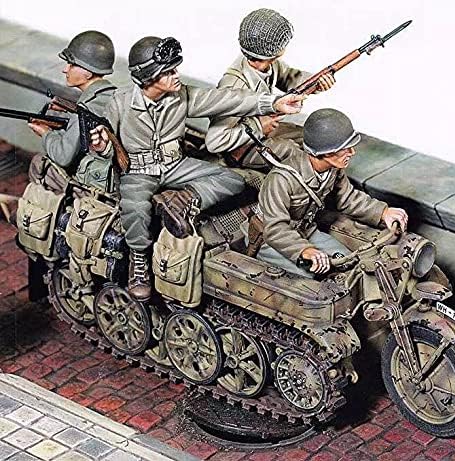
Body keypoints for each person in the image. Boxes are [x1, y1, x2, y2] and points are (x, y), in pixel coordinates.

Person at [91, 36, 305, 301]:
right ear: (149, 77)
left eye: (175, 69)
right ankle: (139, 260)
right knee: (135, 208)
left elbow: (226, 99)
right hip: (138, 170)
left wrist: (273, 103)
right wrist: (102, 147)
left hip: (175, 164)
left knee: (232, 180)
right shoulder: (120, 102)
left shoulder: (181, 95)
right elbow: (109, 144)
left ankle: (183, 201)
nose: (176, 76)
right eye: (169, 72)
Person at [250, 108, 408, 277]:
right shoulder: (281, 179)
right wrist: (304, 250)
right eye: (344, 148)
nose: (352, 152)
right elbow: (274, 229)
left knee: (350, 264)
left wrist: (382, 212)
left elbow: (347, 198)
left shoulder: (333, 169)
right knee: (313, 280)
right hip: (270, 241)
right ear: (321, 153)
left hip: (305, 230)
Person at [205, 8, 335, 169]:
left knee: (311, 138)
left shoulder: (268, 63)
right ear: (276, 50)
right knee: (294, 154)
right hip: (241, 148)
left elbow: (289, 77)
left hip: (263, 131)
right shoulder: (233, 86)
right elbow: (215, 141)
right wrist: (258, 126)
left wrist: (316, 82)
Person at [28, 31, 116, 193]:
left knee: (39, 163)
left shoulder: (86, 108)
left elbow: (63, 157)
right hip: (115, 176)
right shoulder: (112, 95)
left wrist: (45, 133)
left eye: (71, 64)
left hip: (99, 186)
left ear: (88, 72)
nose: (65, 69)